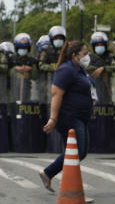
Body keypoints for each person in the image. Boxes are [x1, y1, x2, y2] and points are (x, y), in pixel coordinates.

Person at [39, 40, 94, 192]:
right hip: (69, 117)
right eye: (85, 53)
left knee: (79, 151)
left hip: (81, 118)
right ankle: (51, 174)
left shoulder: (80, 69)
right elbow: (56, 94)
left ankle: (51, 175)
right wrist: (53, 118)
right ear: (75, 55)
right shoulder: (66, 70)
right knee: (78, 151)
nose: (87, 56)